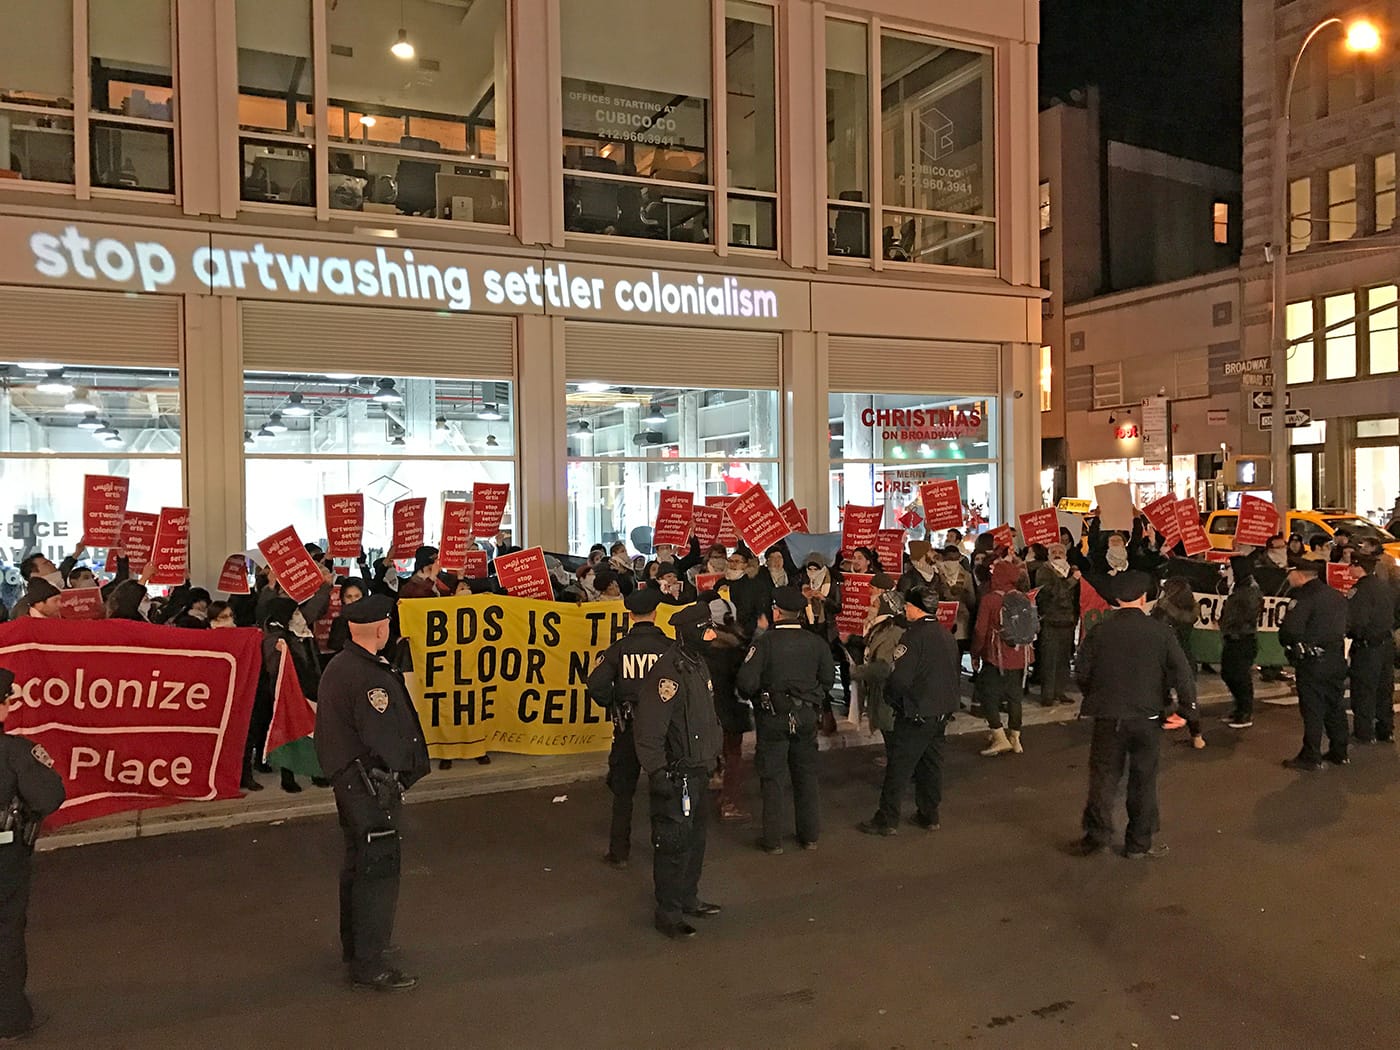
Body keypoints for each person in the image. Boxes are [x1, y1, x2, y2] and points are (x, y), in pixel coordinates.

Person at [314, 594, 430, 990]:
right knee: (378, 871)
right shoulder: (368, 676)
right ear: (381, 628)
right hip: (371, 785)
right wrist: (401, 773)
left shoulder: (341, 666)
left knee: (358, 865)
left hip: (352, 781)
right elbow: (383, 735)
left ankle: (358, 946)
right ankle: (370, 962)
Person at [1071, 571, 1198, 859]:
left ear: (1116, 599)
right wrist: (1187, 711)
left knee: (1104, 777)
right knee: (1143, 779)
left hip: (1109, 716)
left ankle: (1096, 836)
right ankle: (1139, 842)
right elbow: (1183, 674)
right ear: (1143, 598)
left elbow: (1082, 671)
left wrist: (1097, 696)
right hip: (1147, 716)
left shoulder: (1100, 631)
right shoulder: (1161, 632)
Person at [633, 603, 723, 940]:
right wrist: (657, 772)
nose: (711, 635)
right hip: (677, 775)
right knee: (673, 845)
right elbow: (649, 730)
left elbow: (707, 716)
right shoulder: (668, 674)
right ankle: (668, 913)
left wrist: (715, 753)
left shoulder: (697, 664)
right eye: (705, 630)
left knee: (695, 841)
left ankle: (688, 898)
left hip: (699, 769)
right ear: (687, 634)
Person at [735, 586, 835, 855]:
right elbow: (828, 679)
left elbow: (746, 682)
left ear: (776, 612)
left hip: (772, 717)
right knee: (806, 776)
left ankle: (773, 840)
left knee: (772, 778)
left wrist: (760, 698)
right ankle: (809, 836)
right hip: (806, 716)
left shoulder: (764, 642)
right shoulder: (816, 642)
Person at [857, 585, 960, 836]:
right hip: (940, 711)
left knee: (899, 768)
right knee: (931, 765)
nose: (905, 609)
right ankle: (929, 814)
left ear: (915, 608)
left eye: (908, 605)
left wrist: (892, 700)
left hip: (916, 711)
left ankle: (887, 819)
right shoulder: (946, 635)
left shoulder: (912, 638)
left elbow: (900, 678)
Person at [586, 587, 673, 869]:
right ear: (656, 614)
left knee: (623, 792)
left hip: (629, 727)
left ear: (631, 616)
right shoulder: (670, 648)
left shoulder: (619, 649)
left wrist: (614, 702)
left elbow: (596, 684)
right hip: (663, 729)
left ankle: (619, 852)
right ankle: (664, 846)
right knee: (663, 787)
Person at [0, 669, 65, 1042]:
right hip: (4, 857)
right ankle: (9, 1019)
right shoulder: (16, 752)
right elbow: (48, 797)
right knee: (6, 932)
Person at [1277, 560, 1350, 771]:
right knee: (1334, 705)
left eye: (1290, 573)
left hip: (1312, 661)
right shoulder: (1336, 595)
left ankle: (1311, 755)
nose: (1288, 577)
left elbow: (1291, 630)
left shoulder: (1303, 597)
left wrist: (1290, 643)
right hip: (1335, 658)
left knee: (1312, 709)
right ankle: (1339, 751)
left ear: (1299, 574)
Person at [972, 560, 1032, 756]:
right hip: (1020, 654)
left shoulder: (990, 599)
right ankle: (1015, 737)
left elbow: (980, 631)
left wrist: (975, 653)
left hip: (996, 655)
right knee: (1015, 697)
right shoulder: (1023, 597)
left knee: (987, 694)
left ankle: (999, 736)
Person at [700, 599, 751, 821]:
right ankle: (729, 802)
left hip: (707, 711)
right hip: (731, 710)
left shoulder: (699, 647)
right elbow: (746, 682)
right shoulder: (735, 650)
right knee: (734, 756)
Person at [1347, 555, 1397, 745]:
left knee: (1364, 689)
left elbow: (1356, 620)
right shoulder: (1384, 586)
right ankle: (1385, 729)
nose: (1349, 569)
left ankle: (1364, 732)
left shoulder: (1359, 590)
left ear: (1358, 567)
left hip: (1367, 646)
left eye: (1351, 565)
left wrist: (1350, 633)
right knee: (1384, 689)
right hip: (1386, 644)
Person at [851, 589, 907, 742]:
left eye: (875, 605)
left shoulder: (891, 633)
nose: (870, 608)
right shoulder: (880, 628)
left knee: (893, 738)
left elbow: (883, 667)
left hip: (888, 695)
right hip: (882, 693)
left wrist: (856, 672)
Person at [1220, 558, 1263, 729]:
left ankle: (1245, 711)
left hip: (1242, 638)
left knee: (1240, 676)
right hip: (1233, 637)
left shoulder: (1250, 590)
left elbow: (1246, 614)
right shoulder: (1239, 587)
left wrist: (1231, 625)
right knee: (1228, 673)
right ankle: (1239, 708)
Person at [1035, 544, 1080, 706]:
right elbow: (1054, 592)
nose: (1057, 554)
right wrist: (1072, 581)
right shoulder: (1044, 571)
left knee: (1063, 659)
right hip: (1050, 621)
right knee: (1049, 659)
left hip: (1067, 621)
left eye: (1061, 552)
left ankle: (1059, 691)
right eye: (1053, 552)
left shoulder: (1070, 571)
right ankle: (1047, 695)